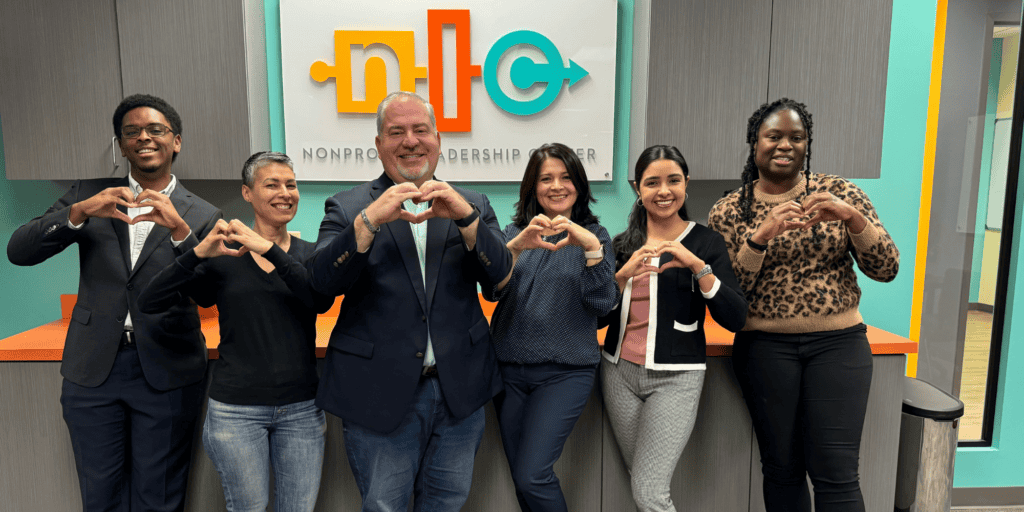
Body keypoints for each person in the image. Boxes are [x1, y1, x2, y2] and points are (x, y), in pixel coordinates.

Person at [7, 94, 221, 511]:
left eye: (155, 130)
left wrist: (180, 232)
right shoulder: (88, 194)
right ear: (120, 145)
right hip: (94, 368)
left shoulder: (202, 213)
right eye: (132, 132)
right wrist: (80, 212)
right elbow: (20, 250)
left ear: (175, 141)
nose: (144, 137)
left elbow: (210, 294)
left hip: (168, 369)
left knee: (158, 497)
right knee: (99, 494)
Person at [308, 91, 512, 511]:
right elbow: (321, 285)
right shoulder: (348, 206)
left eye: (421, 130)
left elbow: (500, 281)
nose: (411, 141)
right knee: (384, 505)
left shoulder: (472, 204)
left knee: (447, 504)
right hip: (378, 392)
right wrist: (368, 223)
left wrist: (467, 220)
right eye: (396, 132)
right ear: (379, 144)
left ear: (438, 138)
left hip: (459, 391)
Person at [707, 98, 899, 512]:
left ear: (807, 144)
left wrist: (852, 219)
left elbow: (886, 268)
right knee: (781, 469)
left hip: (839, 346)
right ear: (754, 143)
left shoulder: (841, 194)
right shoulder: (728, 211)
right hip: (764, 349)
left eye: (797, 137)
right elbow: (725, 297)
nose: (785, 145)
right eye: (773, 136)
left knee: (837, 473)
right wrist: (759, 237)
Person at [137, 151, 333, 511]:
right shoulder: (226, 256)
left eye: (291, 185)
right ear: (247, 194)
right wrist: (197, 253)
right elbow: (151, 300)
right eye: (271, 184)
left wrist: (270, 250)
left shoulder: (310, 254)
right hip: (236, 413)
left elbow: (317, 300)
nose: (284, 192)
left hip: (302, 411)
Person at [600, 145, 747, 512]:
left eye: (673, 181)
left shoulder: (706, 242)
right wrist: (620, 277)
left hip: (676, 378)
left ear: (686, 184)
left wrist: (699, 267)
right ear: (638, 188)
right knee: (642, 478)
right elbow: (598, 316)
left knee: (650, 493)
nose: (663, 191)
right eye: (652, 183)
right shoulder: (622, 244)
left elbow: (735, 317)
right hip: (618, 373)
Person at [486, 143, 618, 511]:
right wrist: (512, 249)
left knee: (533, 475)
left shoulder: (597, 236)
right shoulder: (514, 231)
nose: (557, 186)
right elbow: (493, 292)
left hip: (565, 373)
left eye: (565, 177)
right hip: (509, 371)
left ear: (579, 185)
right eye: (546, 179)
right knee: (522, 479)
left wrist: (591, 249)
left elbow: (602, 305)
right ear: (532, 187)